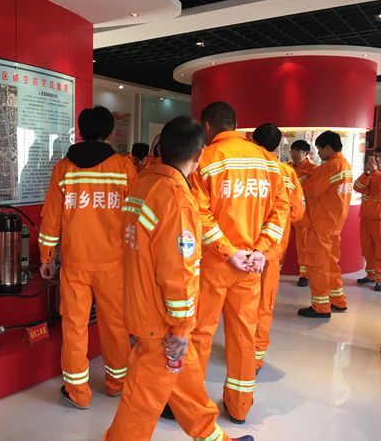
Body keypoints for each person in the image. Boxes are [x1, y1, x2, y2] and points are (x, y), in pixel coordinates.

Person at [104, 116, 253, 441]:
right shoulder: (176, 199)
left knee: (188, 386)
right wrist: (182, 328)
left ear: (161, 148)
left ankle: (214, 438)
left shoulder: (144, 184)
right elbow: (178, 273)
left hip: (143, 307)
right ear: (199, 155)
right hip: (162, 324)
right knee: (142, 403)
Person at [190, 102, 289, 424]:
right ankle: (239, 406)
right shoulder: (269, 162)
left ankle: (192, 405)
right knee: (244, 336)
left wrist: (228, 251)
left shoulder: (205, 159)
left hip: (214, 265)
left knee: (200, 333)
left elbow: (199, 214)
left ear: (207, 126)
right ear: (235, 124)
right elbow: (281, 211)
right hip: (251, 266)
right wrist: (260, 250)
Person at [39, 105, 137, 409]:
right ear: (110, 132)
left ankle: (77, 392)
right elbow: (134, 219)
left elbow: (51, 217)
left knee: (74, 326)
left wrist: (46, 256)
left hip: (75, 263)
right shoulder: (124, 168)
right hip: (114, 264)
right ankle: (116, 383)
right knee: (115, 325)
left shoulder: (64, 169)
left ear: (80, 131)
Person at [252, 124, 304, 372]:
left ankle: (238, 349)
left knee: (237, 305)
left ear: (253, 141)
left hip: (239, 249)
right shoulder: (286, 172)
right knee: (264, 304)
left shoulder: (246, 169)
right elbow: (298, 212)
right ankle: (254, 357)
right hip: (271, 249)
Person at [298, 131, 352, 318]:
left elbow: (311, 189)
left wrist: (301, 179)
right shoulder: (345, 164)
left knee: (317, 266)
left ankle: (320, 307)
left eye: (320, 149)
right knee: (331, 264)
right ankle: (338, 300)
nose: (319, 153)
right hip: (334, 224)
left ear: (328, 147)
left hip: (321, 224)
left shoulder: (330, 166)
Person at [289, 139, 316, 287]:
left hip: (305, 213)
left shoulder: (314, 170)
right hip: (287, 212)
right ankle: (274, 270)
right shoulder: (287, 168)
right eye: (292, 151)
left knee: (303, 246)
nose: (294, 154)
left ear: (306, 153)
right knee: (279, 243)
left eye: (297, 151)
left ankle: (304, 275)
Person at [354, 148, 381, 290]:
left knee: (379, 249)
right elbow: (357, 187)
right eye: (374, 156)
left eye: (379, 157)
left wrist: (375, 172)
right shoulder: (370, 174)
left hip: (379, 219)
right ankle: (371, 275)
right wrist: (367, 173)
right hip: (365, 217)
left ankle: (380, 278)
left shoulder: (377, 174)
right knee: (367, 248)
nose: (376, 159)